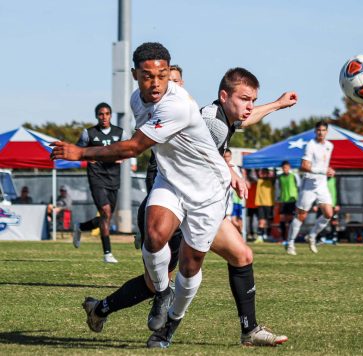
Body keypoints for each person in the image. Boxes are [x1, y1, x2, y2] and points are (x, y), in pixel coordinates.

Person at [68, 65, 297, 348]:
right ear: (224, 96)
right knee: (159, 281)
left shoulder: (221, 115)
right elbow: (204, 158)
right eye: (245, 99)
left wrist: (278, 104)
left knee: (241, 256)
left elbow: (244, 120)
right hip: (180, 199)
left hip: (202, 200)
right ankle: (108, 309)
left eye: (174, 82)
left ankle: (248, 330)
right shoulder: (209, 122)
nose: (249, 106)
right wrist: (232, 170)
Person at [52, 42, 235, 349]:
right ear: (135, 74)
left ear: (169, 74)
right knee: (153, 235)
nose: (156, 83)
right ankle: (162, 292)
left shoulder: (175, 105)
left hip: (208, 190)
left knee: (190, 266)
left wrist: (80, 152)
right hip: (171, 180)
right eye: (148, 76)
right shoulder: (137, 99)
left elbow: (134, 147)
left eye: (163, 75)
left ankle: (170, 324)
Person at [72, 102, 124, 263]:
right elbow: (77, 152)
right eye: (101, 114)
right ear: (96, 116)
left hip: (113, 177)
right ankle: (107, 253)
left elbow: (130, 149)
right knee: (106, 212)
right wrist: (88, 156)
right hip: (96, 176)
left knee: (106, 217)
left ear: (110, 115)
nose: (104, 117)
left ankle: (80, 227)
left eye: (107, 113)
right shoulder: (88, 133)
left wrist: (125, 157)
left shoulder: (120, 133)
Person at [286, 121, 335, 255]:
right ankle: (290, 243)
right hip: (309, 184)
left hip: (322, 185)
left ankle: (312, 236)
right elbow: (304, 166)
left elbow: (324, 164)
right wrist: (323, 171)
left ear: (327, 132)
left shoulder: (330, 146)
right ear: (315, 131)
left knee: (329, 214)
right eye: (318, 130)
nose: (321, 132)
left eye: (323, 130)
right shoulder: (310, 145)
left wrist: (328, 171)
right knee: (301, 215)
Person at [275, 160, 300, 243]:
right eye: (284, 168)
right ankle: (283, 238)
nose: (285, 169)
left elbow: (299, 186)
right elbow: (278, 188)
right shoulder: (280, 177)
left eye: (286, 167)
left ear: (289, 168)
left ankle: (291, 238)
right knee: (282, 219)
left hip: (293, 200)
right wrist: (277, 199)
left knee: (291, 219)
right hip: (283, 200)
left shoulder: (294, 176)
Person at [255, 168, 275, 242]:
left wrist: (273, 170)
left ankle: (268, 235)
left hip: (269, 204)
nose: (263, 174)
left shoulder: (271, 181)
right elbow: (254, 174)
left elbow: (274, 176)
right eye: (262, 173)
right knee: (261, 221)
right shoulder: (259, 181)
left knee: (269, 221)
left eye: (265, 173)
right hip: (260, 204)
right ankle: (260, 236)